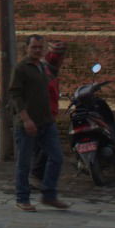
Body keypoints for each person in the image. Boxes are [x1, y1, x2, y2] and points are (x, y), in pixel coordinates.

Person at [9, 34, 69, 211]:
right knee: (24, 162)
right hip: (27, 123)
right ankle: (22, 198)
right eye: (34, 47)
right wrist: (26, 119)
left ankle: (49, 194)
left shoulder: (43, 67)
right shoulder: (21, 69)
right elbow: (15, 95)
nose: (37, 50)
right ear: (27, 48)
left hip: (46, 121)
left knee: (57, 157)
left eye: (40, 47)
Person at [30, 40, 66, 187]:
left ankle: (38, 177)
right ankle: (37, 177)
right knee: (50, 150)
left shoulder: (49, 70)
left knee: (41, 148)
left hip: (45, 114)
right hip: (42, 115)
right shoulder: (45, 72)